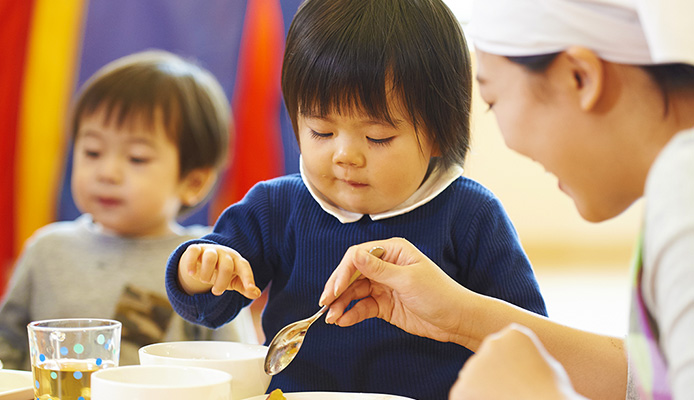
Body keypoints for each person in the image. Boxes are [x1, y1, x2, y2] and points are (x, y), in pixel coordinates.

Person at [164, 1, 548, 399]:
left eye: (377, 137)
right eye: (321, 132)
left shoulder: (471, 215)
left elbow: (527, 338)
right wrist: (200, 270)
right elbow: (210, 307)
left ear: (438, 132)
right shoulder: (275, 206)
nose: (345, 155)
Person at [319, 0, 694, 399]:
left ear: (580, 77)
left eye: (493, 99)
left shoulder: (683, 194)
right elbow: (655, 377)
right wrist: (459, 317)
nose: (507, 139)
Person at [0, 50, 257, 370]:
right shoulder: (47, 250)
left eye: (136, 158)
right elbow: (6, 346)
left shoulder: (203, 261)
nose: (107, 173)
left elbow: (238, 366)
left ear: (193, 181)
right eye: (92, 151)